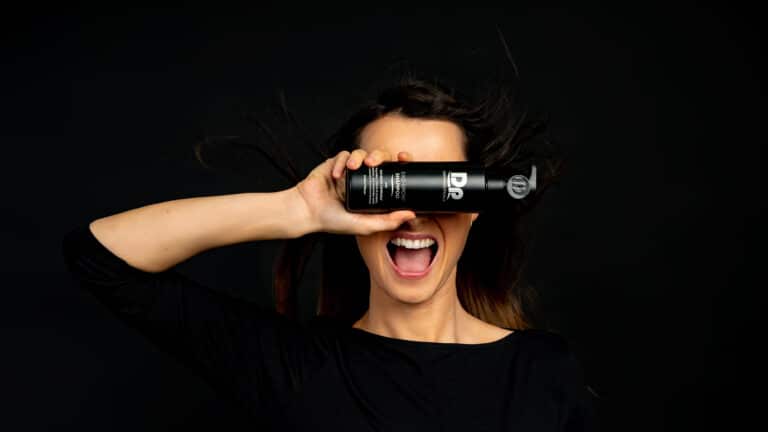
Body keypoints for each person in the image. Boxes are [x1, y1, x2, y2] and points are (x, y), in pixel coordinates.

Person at [62, 76, 595, 431]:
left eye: (438, 185)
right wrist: (297, 210)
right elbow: (98, 256)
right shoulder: (293, 367)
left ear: (473, 205)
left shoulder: (541, 371)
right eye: (392, 186)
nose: (410, 213)